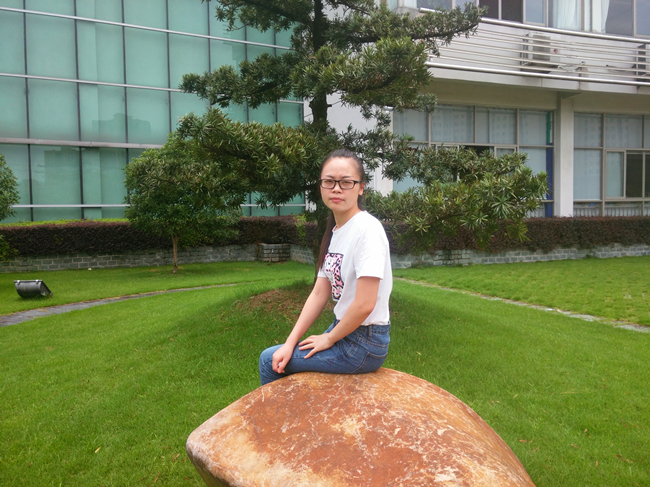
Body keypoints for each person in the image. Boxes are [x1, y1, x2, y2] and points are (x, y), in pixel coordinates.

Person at [259, 149, 393, 386]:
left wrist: (329, 338)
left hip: (364, 343)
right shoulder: (336, 231)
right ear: (320, 186)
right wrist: (290, 343)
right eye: (329, 181)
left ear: (361, 188)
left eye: (346, 182)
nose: (336, 189)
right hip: (345, 331)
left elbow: (365, 304)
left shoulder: (367, 230)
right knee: (280, 355)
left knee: (268, 360)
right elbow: (319, 293)